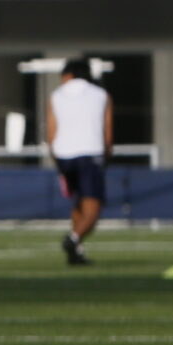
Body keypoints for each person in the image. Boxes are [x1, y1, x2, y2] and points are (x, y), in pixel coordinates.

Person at [48, 55, 112, 266]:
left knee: (78, 203)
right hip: (90, 154)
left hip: (63, 156)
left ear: (68, 75)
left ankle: (76, 253)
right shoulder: (101, 95)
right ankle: (73, 239)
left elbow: (51, 133)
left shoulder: (56, 96)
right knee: (93, 208)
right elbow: (107, 133)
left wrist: (56, 158)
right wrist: (107, 155)